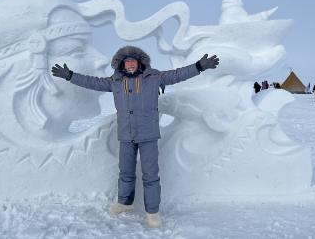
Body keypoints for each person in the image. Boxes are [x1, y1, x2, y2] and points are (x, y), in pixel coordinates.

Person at [51, 45, 219, 228]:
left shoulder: (154, 77)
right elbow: (92, 82)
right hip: (126, 135)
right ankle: (124, 203)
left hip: (148, 134)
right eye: (127, 61)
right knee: (126, 172)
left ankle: (153, 213)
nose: (130, 64)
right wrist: (70, 76)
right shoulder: (114, 81)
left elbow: (178, 74)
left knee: (150, 175)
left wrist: (199, 66)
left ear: (139, 62)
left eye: (133, 61)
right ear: (122, 64)